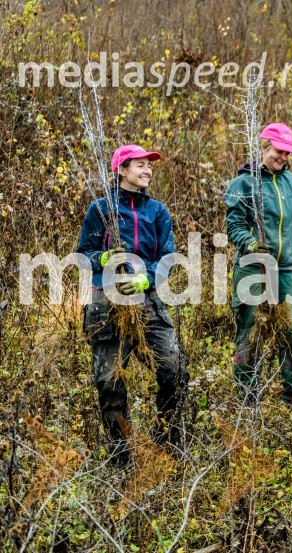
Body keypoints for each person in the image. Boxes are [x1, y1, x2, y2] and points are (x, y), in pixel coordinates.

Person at [77, 145, 190, 467]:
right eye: (140, 165)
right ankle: (121, 456)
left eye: (149, 166)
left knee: (175, 371)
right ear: (122, 170)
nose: (148, 171)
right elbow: (83, 253)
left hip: (148, 301)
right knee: (110, 382)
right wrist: (102, 258)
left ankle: (167, 442)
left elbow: (167, 258)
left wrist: (147, 279)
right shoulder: (100, 209)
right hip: (106, 301)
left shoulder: (158, 212)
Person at [225, 123, 292, 404]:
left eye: (288, 153)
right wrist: (251, 243)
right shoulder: (242, 183)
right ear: (264, 147)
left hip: (286, 268)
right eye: (279, 151)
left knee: (290, 332)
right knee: (250, 332)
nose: (284, 157)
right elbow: (234, 225)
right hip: (252, 267)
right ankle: (247, 397)